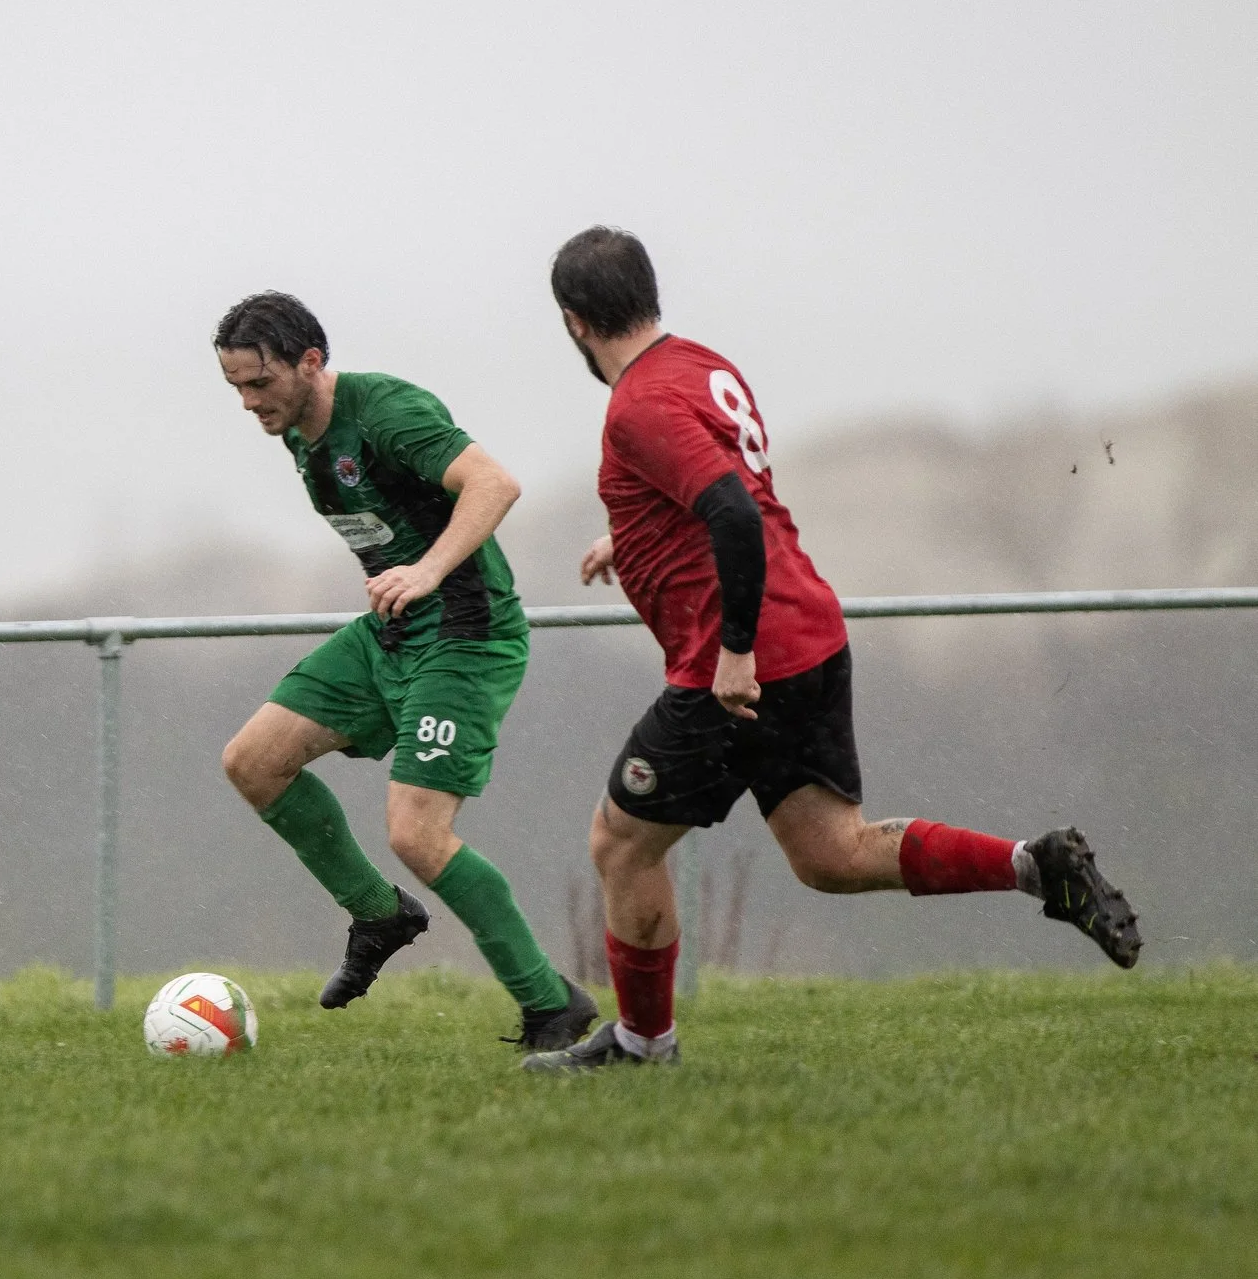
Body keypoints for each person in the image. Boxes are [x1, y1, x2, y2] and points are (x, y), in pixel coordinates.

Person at [523, 228, 1141, 1072]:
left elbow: (734, 516)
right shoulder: (703, 365)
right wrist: (627, 535)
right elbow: (724, 493)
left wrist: (735, 652)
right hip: (810, 630)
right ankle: (1039, 867)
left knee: (620, 842)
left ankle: (641, 1044)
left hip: (737, 664)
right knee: (832, 855)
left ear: (573, 323)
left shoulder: (635, 406)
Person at [214, 291, 597, 1052]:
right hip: (389, 636)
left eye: (260, 384)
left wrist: (424, 571)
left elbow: (495, 484)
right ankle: (378, 914)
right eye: (236, 390)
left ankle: (553, 1006)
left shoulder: (387, 411)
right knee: (253, 763)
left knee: (418, 835)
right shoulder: (299, 433)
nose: (250, 405)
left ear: (312, 362)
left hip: (464, 633)